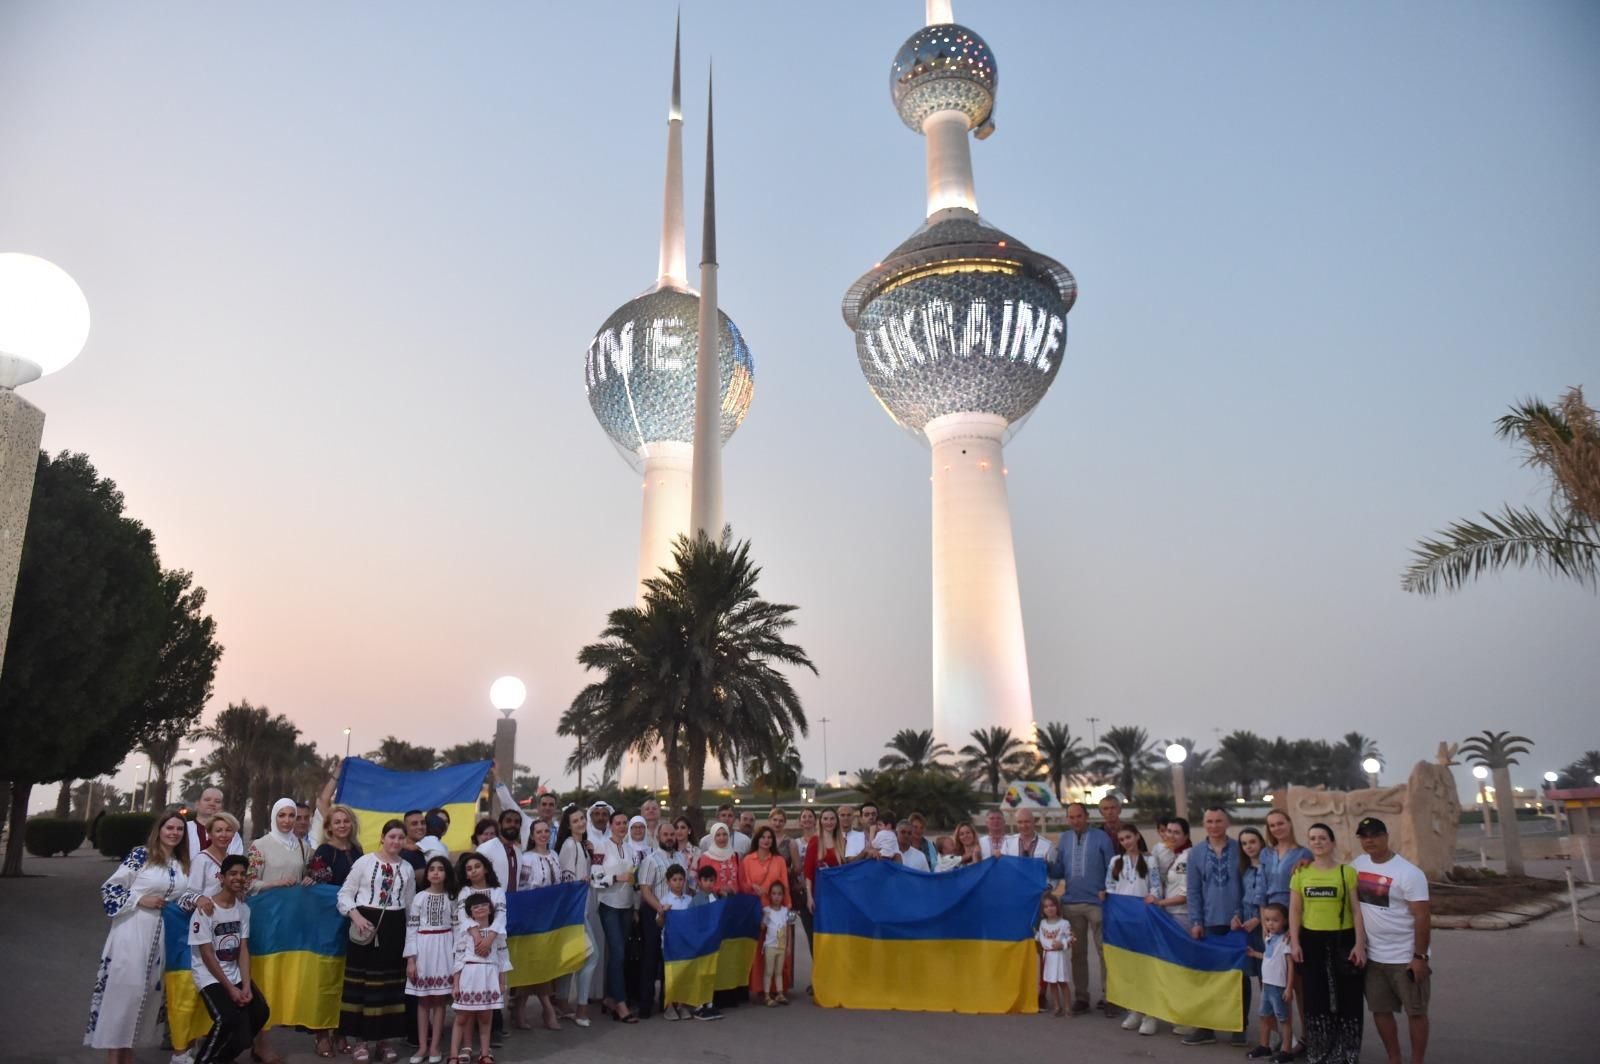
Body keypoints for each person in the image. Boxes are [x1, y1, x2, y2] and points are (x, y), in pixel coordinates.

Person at [86, 810, 209, 1063]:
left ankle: (128, 1054)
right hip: (132, 932)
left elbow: (181, 898)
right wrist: (141, 899)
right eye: (169, 828)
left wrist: (199, 901)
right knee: (124, 992)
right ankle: (113, 1056)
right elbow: (111, 888)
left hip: (161, 938)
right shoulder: (141, 856)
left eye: (179, 829)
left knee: (145, 995)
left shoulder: (181, 863)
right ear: (159, 830)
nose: (174, 833)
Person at [337, 818, 417, 1063]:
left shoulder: (407, 869)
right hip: (366, 930)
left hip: (394, 932)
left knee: (389, 988)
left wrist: (412, 945)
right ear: (382, 838)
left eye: (400, 838)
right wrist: (357, 916)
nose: (396, 841)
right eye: (391, 836)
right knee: (363, 986)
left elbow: (410, 908)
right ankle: (361, 1042)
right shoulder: (365, 862)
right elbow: (344, 894)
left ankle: (384, 1042)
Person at [1352, 817, 1430, 1064]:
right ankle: (1393, 1058)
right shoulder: (1358, 865)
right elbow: (1331, 872)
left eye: (1374, 834)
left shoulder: (1409, 873)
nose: (1369, 840)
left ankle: (1417, 1060)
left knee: (1415, 1011)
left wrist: (1419, 957)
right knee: (1380, 1010)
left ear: (1386, 836)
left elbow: (1422, 917)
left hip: (1405, 958)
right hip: (1373, 957)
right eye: (1364, 836)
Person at [1289, 822, 1367, 1064]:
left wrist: (1359, 944)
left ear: (1332, 842)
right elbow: (1294, 910)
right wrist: (1295, 942)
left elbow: (1356, 910)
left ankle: (1347, 1053)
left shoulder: (1346, 873)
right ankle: (1320, 1051)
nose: (1317, 842)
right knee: (1316, 997)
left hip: (1342, 939)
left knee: (1348, 997)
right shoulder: (1301, 873)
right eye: (1312, 838)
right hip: (1311, 941)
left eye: (1322, 838)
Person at [190, 855, 271, 1064]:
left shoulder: (243, 909)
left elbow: (243, 948)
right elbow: (207, 955)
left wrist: (246, 985)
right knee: (226, 1019)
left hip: (233, 973)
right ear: (221, 877)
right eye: (233, 873)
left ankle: (223, 1058)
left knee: (260, 1011)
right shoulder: (205, 910)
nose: (238, 878)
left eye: (243, 874)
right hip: (210, 977)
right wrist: (230, 988)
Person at [1183, 807, 1249, 1047]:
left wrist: (1240, 914)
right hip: (1208, 923)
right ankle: (1206, 1027)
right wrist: (1196, 921)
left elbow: (1247, 885)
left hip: (1236, 924)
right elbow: (1193, 890)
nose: (1214, 825)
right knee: (1208, 976)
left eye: (1218, 820)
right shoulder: (1196, 853)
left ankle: (1239, 1027)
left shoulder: (1239, 848)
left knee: (1238, 977)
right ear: (1203, 824)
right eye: (1209, 821)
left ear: (1227, 822)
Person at [1050, 802, 1114, 1016]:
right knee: (1077, 953)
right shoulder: (1065, 839)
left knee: (1104, 951)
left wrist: (1108, 891)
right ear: (1068, 819)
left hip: (1097, 903)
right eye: (1071, 817)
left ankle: (1109, 996)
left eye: (1079, 816)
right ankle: (1081, 997)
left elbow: (1112, 868)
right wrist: (1045, 865)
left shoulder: (1101, 838)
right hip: (1071, 903)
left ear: (1087, 816)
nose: (1075, 820)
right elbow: (1060, 869)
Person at [1106, 822, 1164, 1035]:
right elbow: (1110, 887)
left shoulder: (1150, 861)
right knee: (1129, 966)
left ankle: (1151, 1014)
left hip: (1144, 919)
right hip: (1122, 921)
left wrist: (1153, 897)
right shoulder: (1115, 861)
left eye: (1128, 837)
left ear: (1137, 836)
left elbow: (1156, 887)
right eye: (1122, 840)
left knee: (1146, 966)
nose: (1126, 842)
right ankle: (1134, 1010)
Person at [1262, 809, 1312, 1055]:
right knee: (1272, 984)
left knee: (1297, 984)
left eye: (1280, 823)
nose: (1276, 828)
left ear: (1290, 824)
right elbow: (1262, 890)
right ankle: (1284, 1038)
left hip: (1293, 920)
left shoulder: (1304, 854)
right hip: (1271, 921)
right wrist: (1265, 926)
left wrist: (1295, 927)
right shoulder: (1266, 853)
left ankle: (1306, 1037)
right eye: (1272, 825)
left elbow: (1306, 892)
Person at [453, 852, 508, 1055]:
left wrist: (489, 939)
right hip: (470, 946)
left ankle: (485, 1050)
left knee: (485, 1003)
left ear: (485, 868)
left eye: (477, 866)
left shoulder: (497, 891)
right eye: (469, 868)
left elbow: (501, 916)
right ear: (466, 874)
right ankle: (466, 1046)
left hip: (492, 947)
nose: (473, 870)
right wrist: (477, 937)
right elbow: (462, 917)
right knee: (468, 1003)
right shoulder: (464, 891)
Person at [511, 818, 563, 1031]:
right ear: (532, 835)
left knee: (544, 964)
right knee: (532, 963)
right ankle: (547, 1010)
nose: (543, 834)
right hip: (532, 917)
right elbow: (522, 888)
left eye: (546, 831)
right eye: (539, 831)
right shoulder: (527, 859)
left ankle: (520, 1007)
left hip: (551, 918)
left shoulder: (555, 855)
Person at [403, 856, 457, 1063]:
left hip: (444, 949)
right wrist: (411, 960)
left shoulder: (452, 898)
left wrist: (456, 959)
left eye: (440, 869)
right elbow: (412, 929)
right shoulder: (419, 898)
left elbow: (457, 930)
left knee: (439, 1001)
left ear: (446, 873)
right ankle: (422, 1046)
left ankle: (435, 1046)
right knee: (423, 1001)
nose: (435, 873)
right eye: (432, 869)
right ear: (427, 874)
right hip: (423, 949)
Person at [554, 806, 599, 1028]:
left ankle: (561, 1002)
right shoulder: (569, 845)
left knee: (572, 957)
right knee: (592, 957)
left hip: (581, 910)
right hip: (573, 912)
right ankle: (581, 1008)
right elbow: (566, 881)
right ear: (568, 825)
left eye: (582, 818)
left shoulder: (580, 845)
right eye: (576, 820)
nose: (581, 823)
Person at [594, 811, 640, 1023]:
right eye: (618, 823)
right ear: (611, 825)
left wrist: (637, 908)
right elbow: (595, 879)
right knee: (618, 954)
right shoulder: (601, 847)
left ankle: (611, 998)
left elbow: (636, 883)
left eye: (625, 823)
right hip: (609, 906)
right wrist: (616, 877)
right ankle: (621, 1004)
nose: (622, 826)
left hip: (627, 906)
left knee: (618, 956)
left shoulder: (632, 850)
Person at [635, 822, 679, 1020]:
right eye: (665, 834)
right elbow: (645, 890)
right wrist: (660, 908)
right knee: (650, 959)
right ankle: (645, 1004)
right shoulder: (651, 860)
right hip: (654, 914)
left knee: (669, 960)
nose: (669, 837)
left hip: (676, 917)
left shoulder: (680, 858)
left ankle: (666, 1001)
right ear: (658, 837)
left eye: (672, 834)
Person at [742, 826, 792, 997]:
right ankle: (759, 988)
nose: (766, 840)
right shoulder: (748, 860)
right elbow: (743, 884)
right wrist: (751, 887)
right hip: (756, 910)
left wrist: (788, 910)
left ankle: (777, 989)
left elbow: (785, 885)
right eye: (763, 837)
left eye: (769, 837)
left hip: (777, 911)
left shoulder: (779, 860)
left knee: (778, 947)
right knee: (758, 952)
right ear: (757, 839)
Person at [1247, 902, 1295, 1062]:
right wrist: (1255, 954)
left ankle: (1287, 1051)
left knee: (1284, 1019)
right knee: (1264, 1015)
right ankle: (1264, 1045)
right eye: (1267, 920)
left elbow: (1290, 965)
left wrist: (1288, 988)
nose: (1270, 923)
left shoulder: (1285, 941)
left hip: (1279, 986)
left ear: (1285, 921)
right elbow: (1269, 957)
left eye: (1275, 920)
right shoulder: (1269, 938)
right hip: (1267, 985)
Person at [656, 864, 697, 1020]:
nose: (678, 883)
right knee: (671, 976)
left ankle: (682, 1004)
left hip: (685, 944)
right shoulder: (665, 900)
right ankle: (669, 1006)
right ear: (668, 882)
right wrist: (662, 913)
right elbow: (659, 923)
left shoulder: (689, 900)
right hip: (670, 945)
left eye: (681, 879)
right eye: (674, 880)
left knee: (684, 975)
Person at [246, 798, 311, 894]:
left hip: (293, 905)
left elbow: (306, 877)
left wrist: (309, 880)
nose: (287, 820)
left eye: (292, 816)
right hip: (269, 906)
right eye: (281, 815)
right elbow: (249, 883)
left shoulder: (303, 846)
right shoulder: (259, 845)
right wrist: (275, 883)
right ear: (274, 816)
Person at [687, 867, 725, 1021]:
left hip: (712, 943)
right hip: (701, 942)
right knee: (700, 974)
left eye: (711, 880)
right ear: (699, 881)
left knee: (710, 973)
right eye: (705, 880)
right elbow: (692, 921)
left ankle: (708, 1002)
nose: (708, 884)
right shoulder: (695, 900)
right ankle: (698, 1004)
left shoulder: (716, 897)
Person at [1036, 893, 1073, 1017]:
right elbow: (1040, 937)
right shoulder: (1042, 924)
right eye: (1046, 907)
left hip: (1058, 957)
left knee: (1062, 983)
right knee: (1051, 983)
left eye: (1052, 905)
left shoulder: (1064, 923)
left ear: (1057, 906)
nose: (1049, 908)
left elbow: (1067, 937)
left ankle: (1068, 1007)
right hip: (1048, 957)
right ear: (1043, 910)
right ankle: (1057, 1006)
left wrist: (1062, 944)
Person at [308, 805, 363, 888]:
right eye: (337, 822)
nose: (342, 825)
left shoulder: (357, 849)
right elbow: (318, 886)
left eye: (346, 821)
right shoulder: (324, 851)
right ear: (329, 827)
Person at [188, 812, 240, 898]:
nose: (224, 835)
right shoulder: (201, 860)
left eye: (228, 830)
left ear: (234, 834)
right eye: (218, 831)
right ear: (209, 834)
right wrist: (199, 900)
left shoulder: (233, 861)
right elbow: (189, 894)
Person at [803, 808, 843, 918]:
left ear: (836, 821)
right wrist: (809, 897)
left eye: (832, 819)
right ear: (820, 821)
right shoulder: (815, 841)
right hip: (821, 894)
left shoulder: (842, 842)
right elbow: (808, 872)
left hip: (838, 893)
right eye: (825, 819)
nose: (829, 822)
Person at [759, 881, 793, 1006]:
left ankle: (780, 993)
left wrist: (789, 945)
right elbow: (762, 927)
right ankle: (767, 995)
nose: (777, 897)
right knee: (769, 971)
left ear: (783, 896)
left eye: (779, 894)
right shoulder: (767, 910)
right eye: (774, 894)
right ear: (770, 896)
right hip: (770, 946)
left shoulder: (785, 911)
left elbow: (788, 928)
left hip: (781, 946)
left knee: (779, 971)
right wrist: (766, 917)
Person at [187, 788, 244, 860]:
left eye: (217, 801)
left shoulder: (231, 833)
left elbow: (235, 860)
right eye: (207, 800)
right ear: (197, 804)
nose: (212, 804)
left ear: (222, 807)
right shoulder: (185, 828)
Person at [476, 807, 522, 893]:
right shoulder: (485, 849)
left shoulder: (518, 852)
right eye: (508, 821)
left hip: (514, 902)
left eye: (516, 822)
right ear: (500, 825)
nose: (513, 825)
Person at [699, 823, 743, 896]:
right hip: (715, 900)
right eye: (718, 835)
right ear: (713, 837)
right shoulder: (706, 857)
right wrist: (719, 890)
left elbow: (740, 880)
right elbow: (702, 882)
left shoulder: (735, 856)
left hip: (735, 900)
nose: (722, 838)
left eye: (724, 834)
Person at [400, 810, 428, 877]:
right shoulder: (407, 855)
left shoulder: (423, 849)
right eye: (414, 824)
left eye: (423, 823)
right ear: (405, 828)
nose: (420, 827)